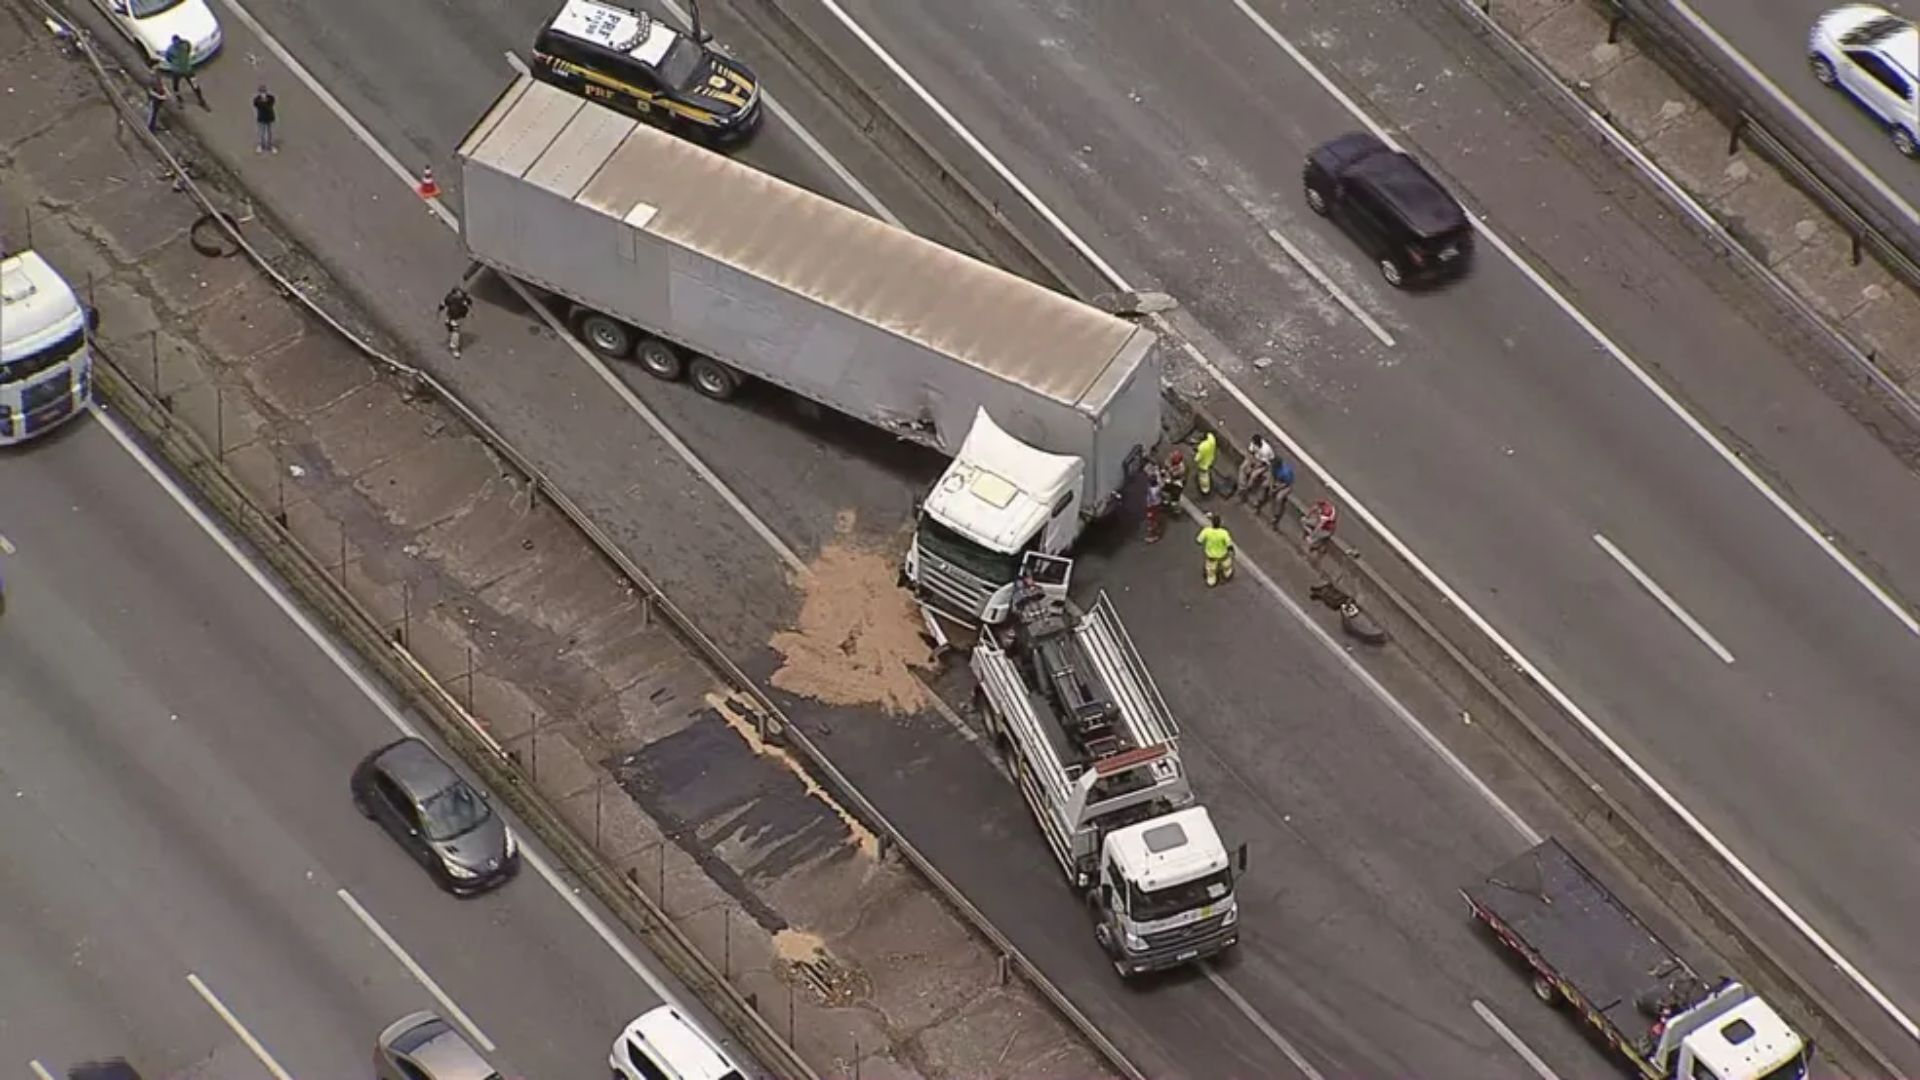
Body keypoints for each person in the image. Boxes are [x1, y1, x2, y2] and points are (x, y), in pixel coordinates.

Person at [162, 36, 206, 108]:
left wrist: (174, 63)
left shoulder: (170, 49)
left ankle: (179, 98)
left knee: (176, 86)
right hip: (187, 70)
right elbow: (189, 47)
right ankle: (200, 99)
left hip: (178, 71)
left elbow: (168, 58)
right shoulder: (184, 44)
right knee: (194, 84)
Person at [1197, 513, 1235, 587]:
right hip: (1223, 554)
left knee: (1211, 569)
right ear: (1220, 523)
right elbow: (1229, 544)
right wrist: (1232, 551)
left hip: (1211, 555)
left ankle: (1211, 580)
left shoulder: (1206, 531)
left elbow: (1199, 540)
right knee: (1226, 565)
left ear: (1212, 523)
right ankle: (1227, 574)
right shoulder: (1224, 533)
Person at [1237, 433, 1274, 506]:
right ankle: (1242, 488)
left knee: (1253, 475)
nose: (1253, 444)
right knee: (1242, 468)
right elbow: (1250, 454)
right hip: (1255, 459)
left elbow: (1263, 463)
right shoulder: (1253, 444)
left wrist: (1254, 467)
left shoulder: (1266, 450)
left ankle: (1247, 488)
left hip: (1264, 464)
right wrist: (1250, 463)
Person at [438, 285, 473, 357]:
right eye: (457, 293)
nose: (458, 295)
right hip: (452, 317)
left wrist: (470, 312)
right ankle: (454, 348)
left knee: (455, 332)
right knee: (455, 332)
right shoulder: (450, 298)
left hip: (459, 318)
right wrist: (440, 310)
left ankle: (453, 347)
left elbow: (470, 305)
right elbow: (443, 304)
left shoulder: (465, 300)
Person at [1264, 456, 1296, 526]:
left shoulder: (1286, 472)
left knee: (1279, 497)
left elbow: (1286, 483)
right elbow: (1272, 477)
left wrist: (1277, 489)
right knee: (1265, 486)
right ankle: (1263, 503)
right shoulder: (1273, 468)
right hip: (1277, 481)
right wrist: (1271, 487)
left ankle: (1276, 515)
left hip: (1286, 485)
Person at [1143, 463, 1166, 544]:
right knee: (1154, 519)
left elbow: (1151, 499)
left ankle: (1154, 535)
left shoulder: (1153, 491)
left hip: (1153, 506)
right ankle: (1154, 532)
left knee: (1152, 521)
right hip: (1156, 504)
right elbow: (1161, 482)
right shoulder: (1158, 486)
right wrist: (1156, 471)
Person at [253, 84, 278, 153]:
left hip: (268, 117)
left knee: (269, 132)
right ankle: (261, 145)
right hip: (261, 118)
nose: (263, 93)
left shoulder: (270, 98)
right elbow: (257, 105)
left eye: (264, 91)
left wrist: (265, 102)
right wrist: (264, 102)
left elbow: (271, 103)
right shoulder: (257, 99)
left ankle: (269, 146)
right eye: (261, 92)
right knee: (261, 132)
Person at [1194, 430, 1218, 496]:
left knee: (1203, 477)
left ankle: (1205, 489)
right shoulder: (1212, 439)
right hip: (1210, 459)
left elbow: (1197, 458)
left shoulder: (1202, 447)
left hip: (1203, 465)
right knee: (1207, 473)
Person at [145, 68, 169, 133]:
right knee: (152, 114)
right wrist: (160, 97)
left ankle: (153, 127)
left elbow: (162, 85)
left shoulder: (158, 78)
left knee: (155, 113)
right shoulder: (150, 80)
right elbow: (150, 91)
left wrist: (166, 92)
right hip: (154, 99)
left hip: (159, 99)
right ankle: (149, 129)